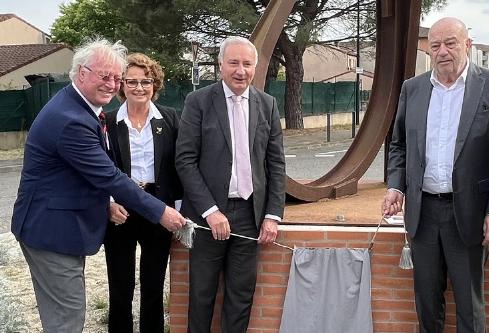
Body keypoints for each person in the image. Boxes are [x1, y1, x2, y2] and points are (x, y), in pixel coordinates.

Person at [10, 38, 185, 333]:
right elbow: (109, 176)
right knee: (68, 318)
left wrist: (106, 202)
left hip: (64, 227)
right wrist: (163, 213)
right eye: (106, 76)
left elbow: (81, 173)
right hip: (52, 231)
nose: (112, 84)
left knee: (68, 313)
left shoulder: (82, 108)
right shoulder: (73, 119)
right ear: (81, 73)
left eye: (115, 77)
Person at [382, 17, 489, 333]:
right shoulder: (411, 89)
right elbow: (399, 145)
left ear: (467, 44)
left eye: (450, 43)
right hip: (423, 213)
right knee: (427, 301)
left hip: (469, 214)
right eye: (435, 45)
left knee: (470, 305)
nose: (442, 51)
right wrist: (395, 186)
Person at [175, 36, 286, 332]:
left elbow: (276, 164)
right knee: (201, 294)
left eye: (247, 64)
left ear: (255, 67)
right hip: (206, 217)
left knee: (241, 296)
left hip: (251, 217)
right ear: (221, 65)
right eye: (233, 63)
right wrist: (210, 211)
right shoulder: (198, 101)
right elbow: (185, 160)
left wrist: (273, 215)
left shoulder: (268, 104)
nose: (241, 70)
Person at [104, 53, 182, 332]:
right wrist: (109, 204)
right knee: (120, 286)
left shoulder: (171, 118)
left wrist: (178, 211)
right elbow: (100, 167)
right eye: (132, 81)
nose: (139, 87)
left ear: (155, 84)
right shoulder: (107, 121)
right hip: (120, 212)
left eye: (146, 81)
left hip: (158, 210)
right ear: (122, 86)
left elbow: (178, 168)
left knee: (153, 285)